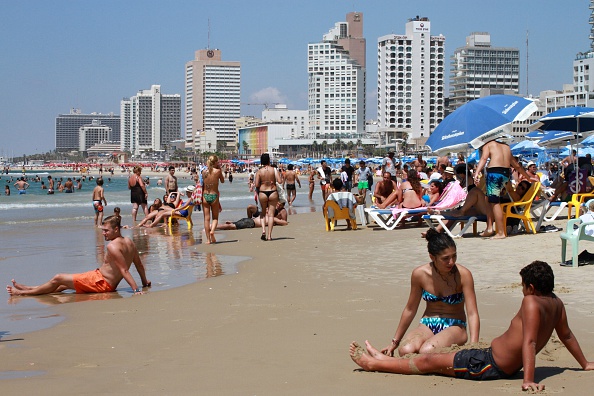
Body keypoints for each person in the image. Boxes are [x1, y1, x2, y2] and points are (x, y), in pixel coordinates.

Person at [350, 261, 594, 392]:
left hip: (488, 364)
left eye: (522, 285)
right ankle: (381, 361)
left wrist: (528, 380)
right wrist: (584, 364)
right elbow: (567, 335)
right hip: (488, 359)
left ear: (530, 287)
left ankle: (376, 363)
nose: (522, 290)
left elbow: (529, 341)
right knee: (431, 360)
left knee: (429, 362)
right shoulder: (556, 303)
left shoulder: (530, 302)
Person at [379, 229, 478, 356]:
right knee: (405, 350)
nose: (451, 262)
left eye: (454, 256)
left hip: (455, 325)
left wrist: (474, 345)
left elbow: (472, 313)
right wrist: (394, 342)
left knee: (427, 350)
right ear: (432, 257)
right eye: (445, 258)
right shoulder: (420, 274)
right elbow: (410, 309)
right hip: (428, 324)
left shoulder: (463, 275)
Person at [6, 215, 151, 296]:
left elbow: (124, 270)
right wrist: (144, 282)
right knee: (62, 285)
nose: (103, 233)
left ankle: (23, 293)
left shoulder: (112, 246)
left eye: (106, 231)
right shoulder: (129, 242)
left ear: (116, 229)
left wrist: (136, 290)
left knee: (58, 277)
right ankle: (29, 288)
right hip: (98, 278)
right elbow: (138, 264)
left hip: (101, 283)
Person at [473, 140, 532, 239]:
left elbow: (483, 158)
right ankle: (489, 227)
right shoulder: (506, 147)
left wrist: (476, 173)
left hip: (494, 173)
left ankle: (500, 232)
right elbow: (516, 165)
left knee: (495, 202)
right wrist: (527, 177)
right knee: (488, 198)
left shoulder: (488, 145)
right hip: (505, 173)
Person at [255, 153, 282, 241]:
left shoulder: (259, 171)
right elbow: (280, 181)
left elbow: (256, 184)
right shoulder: (274, 169)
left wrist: (263, 182)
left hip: (263, 192)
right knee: (271, 215)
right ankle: (269, 236)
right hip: (273, 192)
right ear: (269, 160)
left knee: (263, 213)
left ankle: (263, 230)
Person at [202, 155, 225, 244]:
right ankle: (212, 231)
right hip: (214, 196)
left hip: (205, 196)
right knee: (215, 218)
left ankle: (208, 240)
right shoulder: (218, 172)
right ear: (215, 162)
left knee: (206, 219)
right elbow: (222, 181)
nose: (219, 163)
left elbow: (202, 183)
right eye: (218, 162)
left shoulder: (204, 172)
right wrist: (220, 170)